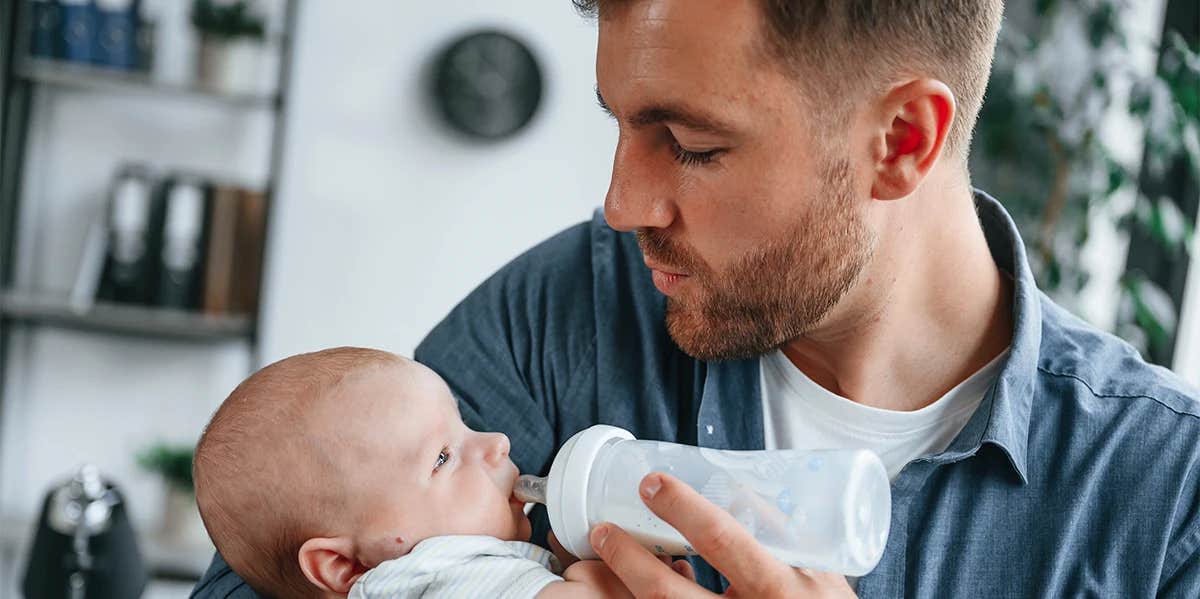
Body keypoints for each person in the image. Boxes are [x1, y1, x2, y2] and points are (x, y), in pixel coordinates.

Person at [193, 1, 1200, 597]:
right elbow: (282, 555)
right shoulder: (573, 308)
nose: (622, 202)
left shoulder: (1160, 499)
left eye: (693, 145)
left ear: (900, 143)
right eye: (623, 124)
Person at [192, 347, 639, 598]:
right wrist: (599, 576)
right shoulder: (441, 577)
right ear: (344, 565)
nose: (498, 441)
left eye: (463, 423)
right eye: (443, 457)